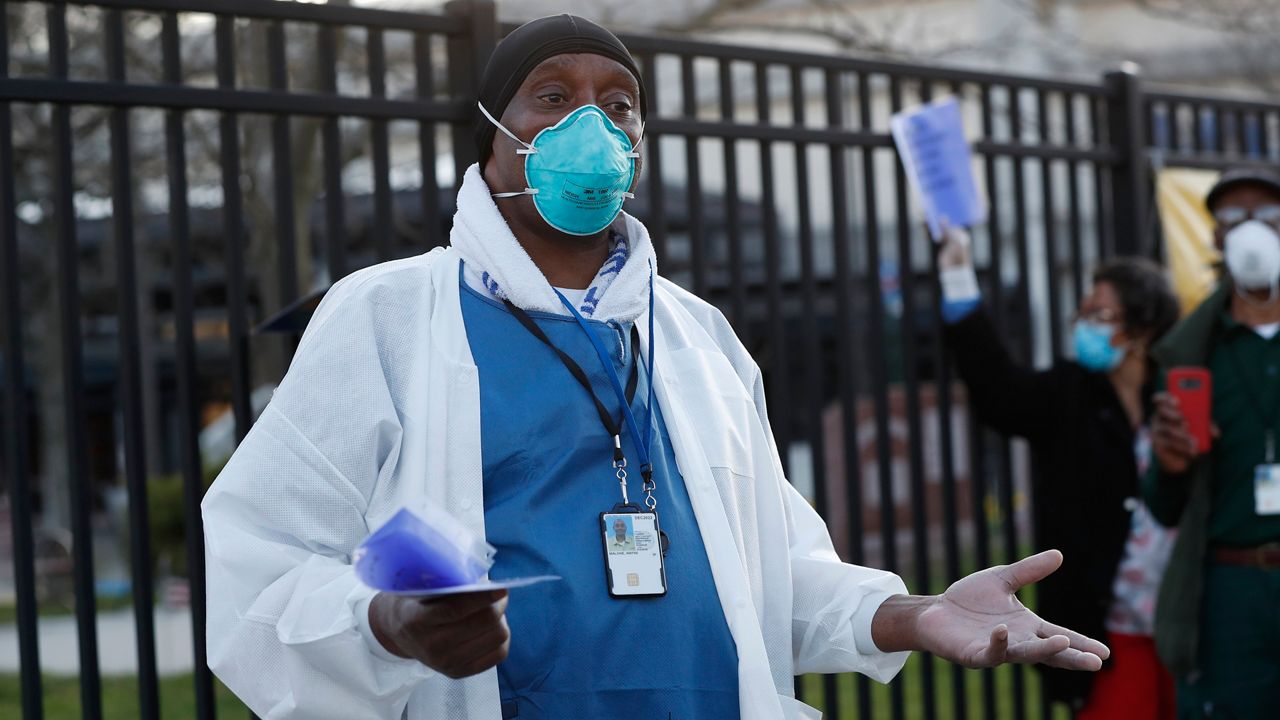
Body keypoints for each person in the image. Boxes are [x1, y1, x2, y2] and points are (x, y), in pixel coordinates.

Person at [201, 15, 1108, 720]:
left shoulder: (696, 335)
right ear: (490, 138)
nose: (593, 122)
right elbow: (265, 558)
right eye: (551, 97)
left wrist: (916, 614)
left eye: (619, 102)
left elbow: (775, 573)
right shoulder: (389, 314)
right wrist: (390, 621)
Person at [935, 225, 1180, 719]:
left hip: (1191, 622)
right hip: (1110, 626)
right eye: (1082, 313)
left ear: (1142, 329)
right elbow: (998, 389)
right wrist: (959, 279)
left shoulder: (1179, 394)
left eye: (1100, 314)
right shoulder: (1067, 392)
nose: (1084, 324)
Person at [1146, 166, 1280, 719]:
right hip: (1231, 590)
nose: (1252, 228)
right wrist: (1170, 463)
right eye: (1233, 216)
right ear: (1217, 238)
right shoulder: (1188, 353)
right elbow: (1164, 506)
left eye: (1268, 215)